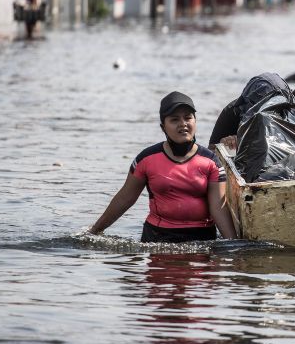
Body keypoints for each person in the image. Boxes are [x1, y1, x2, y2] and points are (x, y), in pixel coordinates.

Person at [89, 91, 237, 242]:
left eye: (188, 118)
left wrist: (233, 244)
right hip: (157, 237)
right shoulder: (145, 159)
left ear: (195, 122)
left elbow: (219, 207)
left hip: (201, 237)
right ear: (163, 127)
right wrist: (94, 231)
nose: (183, 124)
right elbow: (125, 199)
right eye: (174, 120)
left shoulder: (211, 162)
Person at [208, 72, 292, 149]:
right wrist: (224, 144)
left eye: (273, 105)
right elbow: (211, 152)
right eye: (261, 105)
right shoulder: (233, 111)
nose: (267, 112)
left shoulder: (293, 113)